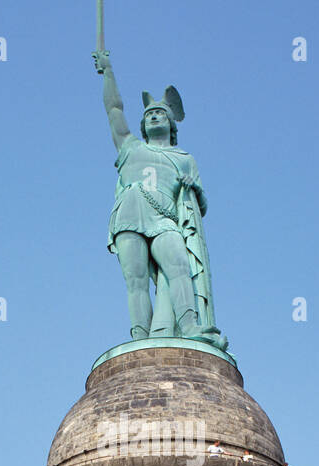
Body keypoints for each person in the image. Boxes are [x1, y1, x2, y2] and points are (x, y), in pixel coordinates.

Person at [93, 50, 227, 350]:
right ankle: (141, 339)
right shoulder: (130, 148)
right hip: (130, 213)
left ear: (171, 124)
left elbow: (199, 206)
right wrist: (108, 72)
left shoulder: (184, 159)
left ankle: (190, 325)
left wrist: (196, 188)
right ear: (143, 125)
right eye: (149, 114)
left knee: (179, 265)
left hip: (166, 218)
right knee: (136, 281)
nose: (154, 116)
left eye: (160, 113)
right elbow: (114, 109)